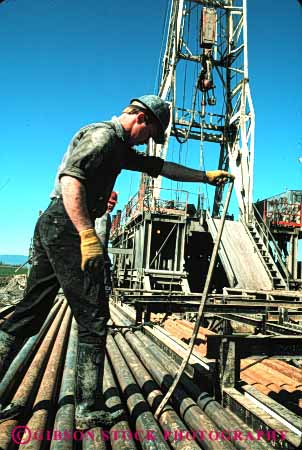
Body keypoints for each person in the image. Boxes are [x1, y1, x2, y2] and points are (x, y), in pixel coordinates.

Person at [0, 94, 234, 430]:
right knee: (93, 316)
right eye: (150, 134)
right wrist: (86, 233)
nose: (147, 142)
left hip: (57, 224)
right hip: (66, 225)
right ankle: (87, 409)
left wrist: (204, 176)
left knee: (32, 310)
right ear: (141, 119)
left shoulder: (119, 147)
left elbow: (163, 168)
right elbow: (71, 181)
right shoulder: (103, 137)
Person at [95, 191, 118, 298]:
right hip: (99, 257)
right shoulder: (103, 216)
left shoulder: (102, 215)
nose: (110, 205)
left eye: (113, 204)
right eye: (109, 202)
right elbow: (102, 239)